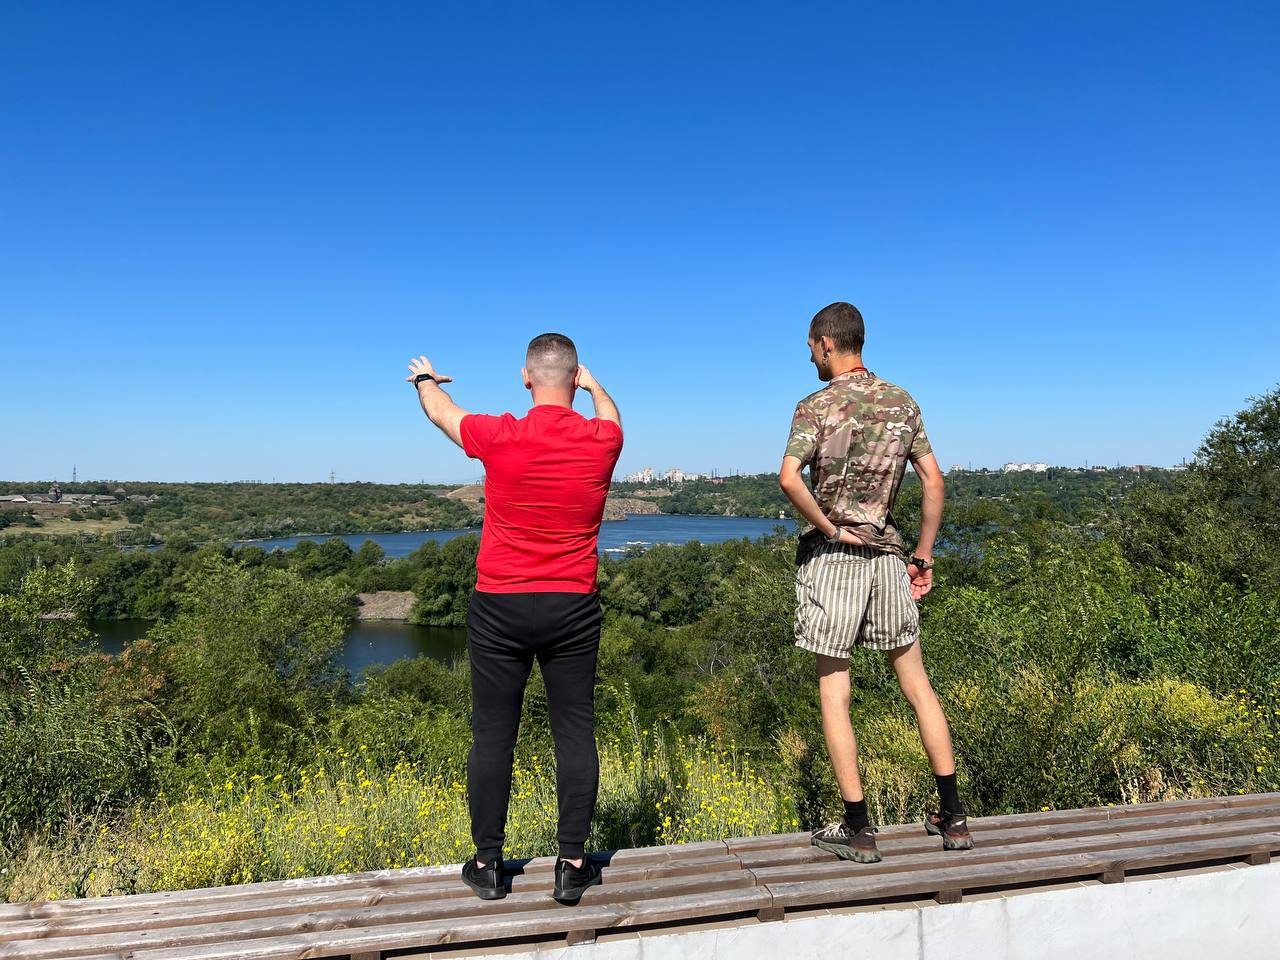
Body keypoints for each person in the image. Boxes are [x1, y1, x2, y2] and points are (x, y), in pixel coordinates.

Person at [406, 333, 623, 903]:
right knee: (574, 730)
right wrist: (592, 383)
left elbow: (438, 412)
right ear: (574, 379)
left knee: (493, 735)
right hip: (572, 606)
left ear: (526, 378)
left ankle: (488, 866)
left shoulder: (501, 433)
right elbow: (610, 413)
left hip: (499, 605)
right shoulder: (603, 439)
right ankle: (572, 864)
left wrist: (427, 378)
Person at [777, 301, 973, 864]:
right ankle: (953, 816)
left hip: (836, 559)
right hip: (890, 558)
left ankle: (858, 827)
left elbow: (790, 478)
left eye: (811, 347)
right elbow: (934, 482)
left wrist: (829, 526)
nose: (810, 355)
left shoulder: (815, 406)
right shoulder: (902, 402)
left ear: (827, 343)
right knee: (917, 684)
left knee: (836, 692)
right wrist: (924, 555)